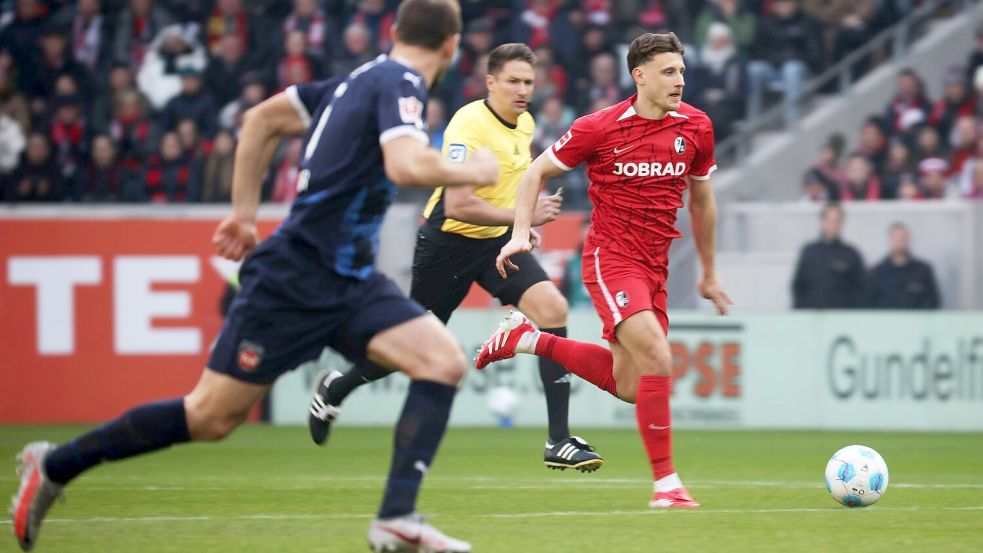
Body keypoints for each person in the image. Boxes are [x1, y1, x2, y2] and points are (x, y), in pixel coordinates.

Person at [10, 2, 496, 552]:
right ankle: (55, 464)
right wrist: (472, 170)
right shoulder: (400, 80)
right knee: (211, 417)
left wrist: (244, 214)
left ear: (393, 30)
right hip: (295, 277)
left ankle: (395, 519)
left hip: (350, 281)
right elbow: (405, 165)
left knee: (442, 360)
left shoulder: (353, 82)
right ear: (452, 45)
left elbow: (261, 119)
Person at [307, 43, 604, 472]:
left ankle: (558, 441)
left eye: (528, 82)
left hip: (495, 242)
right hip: (447, 244)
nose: (523, 90)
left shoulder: (524, 124)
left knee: (552, 307)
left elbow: (509, 191)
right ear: (490, 82)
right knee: (415, 349)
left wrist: (522, 227)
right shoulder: (468, 123)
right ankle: (336, 387)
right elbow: (459, 205)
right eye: (513, 81)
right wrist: (521, 216)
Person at [474, 32, 732, 509]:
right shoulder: (600, 127)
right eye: (669, 72)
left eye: (682, 71)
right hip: (611, 258)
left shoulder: (696, 127)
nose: (680, 80)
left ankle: (525, 339)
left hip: (655, 266)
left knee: (632, 386)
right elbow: (534, 173)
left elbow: (703, 203)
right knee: (659, 357)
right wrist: (518, 232)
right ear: (640, 76)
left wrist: (710, 273)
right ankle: (666, 486)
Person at [791, 203, 865, 309]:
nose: (833, 224)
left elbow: (860, 290)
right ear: (822, 221)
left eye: (837, 220)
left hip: (842, 319)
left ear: (842, 223)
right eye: (830, 220)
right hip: (812, 319)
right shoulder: (809, 252)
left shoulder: (851, 254)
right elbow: (798, 287)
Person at [866, 223, 940, 309]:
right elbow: (869, 305)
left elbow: (933, 303)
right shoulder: (876, 273)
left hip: (916, 321)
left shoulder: (923, 271)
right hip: (886, 321)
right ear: (890, 240)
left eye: (903, 238)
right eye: (896, 239)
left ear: (908, 240)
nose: (900, 242)